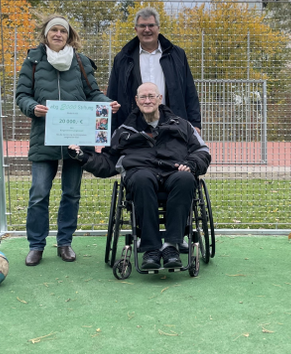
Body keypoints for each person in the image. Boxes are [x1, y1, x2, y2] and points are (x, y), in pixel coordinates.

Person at [71, 83, 210, 270]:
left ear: (160, 99)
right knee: (141, 178)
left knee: (185, 179)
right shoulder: (123, 131)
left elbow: (202, 151)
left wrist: (192, 164)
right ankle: (151, 248)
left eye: (151, 96)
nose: (147, 101)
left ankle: (172, 245)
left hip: (174, 173)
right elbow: (108, 163)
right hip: (141, 176)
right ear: (136, 101)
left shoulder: (182, 125)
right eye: (143, 97)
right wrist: (82, 156)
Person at [16, 15, 120, 267]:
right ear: (46, 34)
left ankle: (65, 243)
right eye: (54, 30)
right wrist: (33, 107)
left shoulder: (81, 62)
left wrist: (107, 104)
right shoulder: (33, 61)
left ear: (69, 35)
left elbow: (92, 93)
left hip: (77, 139)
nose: (58, 34)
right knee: (39, 193)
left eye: (63, 30)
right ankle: (36, 245)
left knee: (71, 193)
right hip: (44, 138)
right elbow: (21, 95)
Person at [107, 7, 201, 133]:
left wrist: (195, 124)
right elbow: (112, 95)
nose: (147, 30)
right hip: (134, 127)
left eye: (151, 25)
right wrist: (110, 130)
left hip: (172, 124)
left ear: (158, 28)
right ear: (136, 29)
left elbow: (190, 92)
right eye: (142, 26)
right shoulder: (123, 58)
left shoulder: (177, 55)